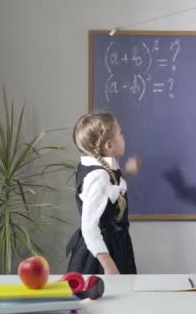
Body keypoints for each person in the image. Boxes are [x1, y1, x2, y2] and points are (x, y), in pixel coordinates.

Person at [66, 112, 141, 274]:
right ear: (109, 145)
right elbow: (89, 227)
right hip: (101, 255)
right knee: (104, 297)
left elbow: (107, 193)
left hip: (114, 246)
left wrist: (126, 172)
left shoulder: (104, 171)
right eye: (120, 133)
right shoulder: (98, 176)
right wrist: (108, 265)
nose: (123, 136)